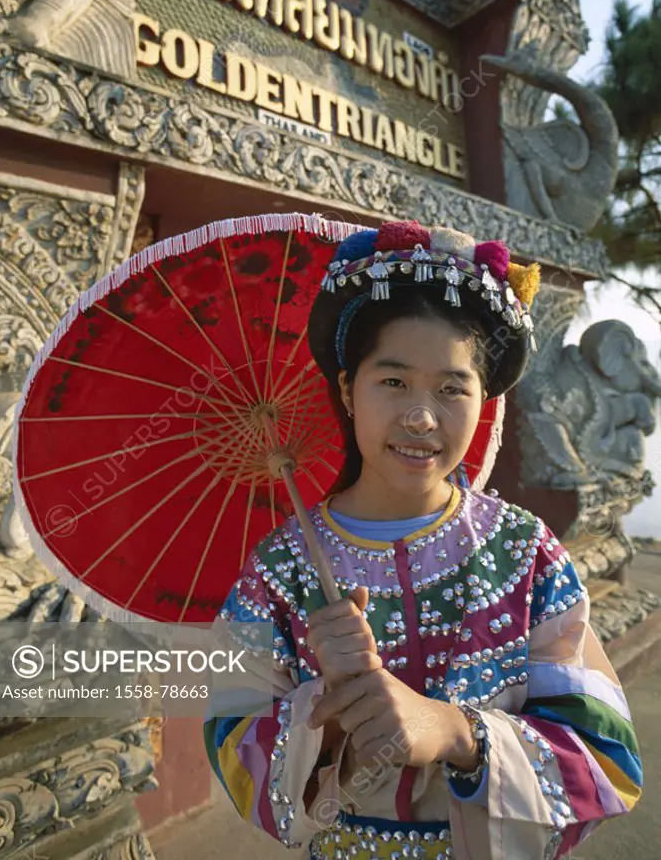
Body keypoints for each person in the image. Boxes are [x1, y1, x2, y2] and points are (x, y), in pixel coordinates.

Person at [203, 219, 642, 859]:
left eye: (450, 388)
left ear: (482, 399)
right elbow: (231, 748)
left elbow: (607, 762)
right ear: (348, 392)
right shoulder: (283, 566)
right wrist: (322, 711)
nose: (420, 416)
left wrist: (457, 732)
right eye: (393, 381)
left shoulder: (523, 548)